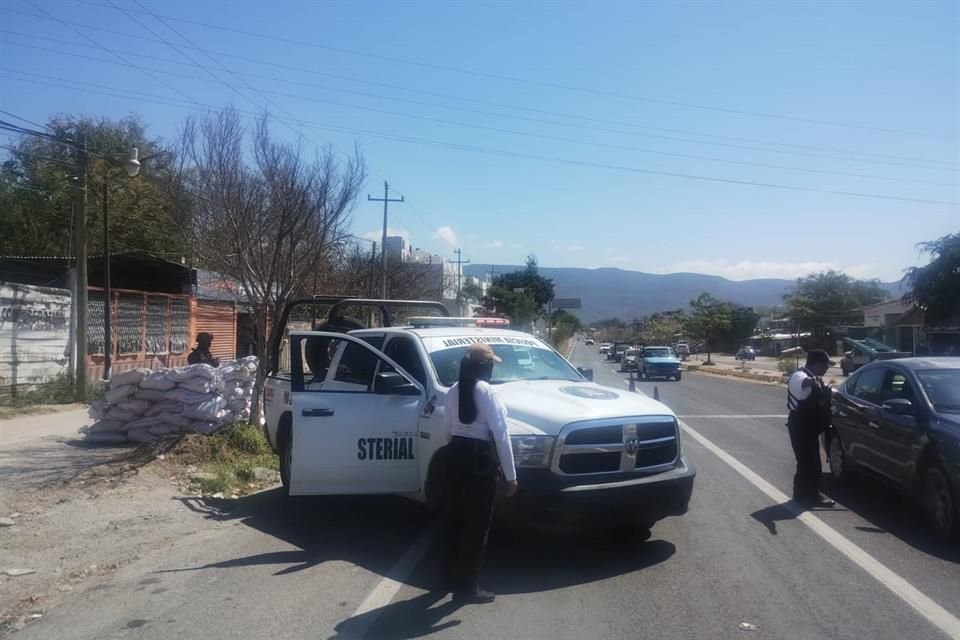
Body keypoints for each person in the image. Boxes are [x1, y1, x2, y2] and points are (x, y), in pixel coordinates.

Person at [442, 342, 517, 604]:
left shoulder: (453, 390)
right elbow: (501, 435)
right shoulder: (487, 392)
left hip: (454, 456)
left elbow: (447, 430)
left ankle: (448, 575)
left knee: (455, 518)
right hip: (479, 461)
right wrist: (511, 476)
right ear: (484, 366)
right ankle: (467, 587)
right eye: (490, 364)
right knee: (477, 525)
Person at [787, 349, 835, 508]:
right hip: (800, 425)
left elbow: (833, 393)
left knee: (812, 461)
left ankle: (807, 494)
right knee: (806, 461)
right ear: (816, 364)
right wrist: (812, 381)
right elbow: (804, 382)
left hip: (811, 427)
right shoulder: (799, 376)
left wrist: (856, 405)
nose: (827, 369)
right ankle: (805, 495)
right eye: (825, 365)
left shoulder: (818, 380)